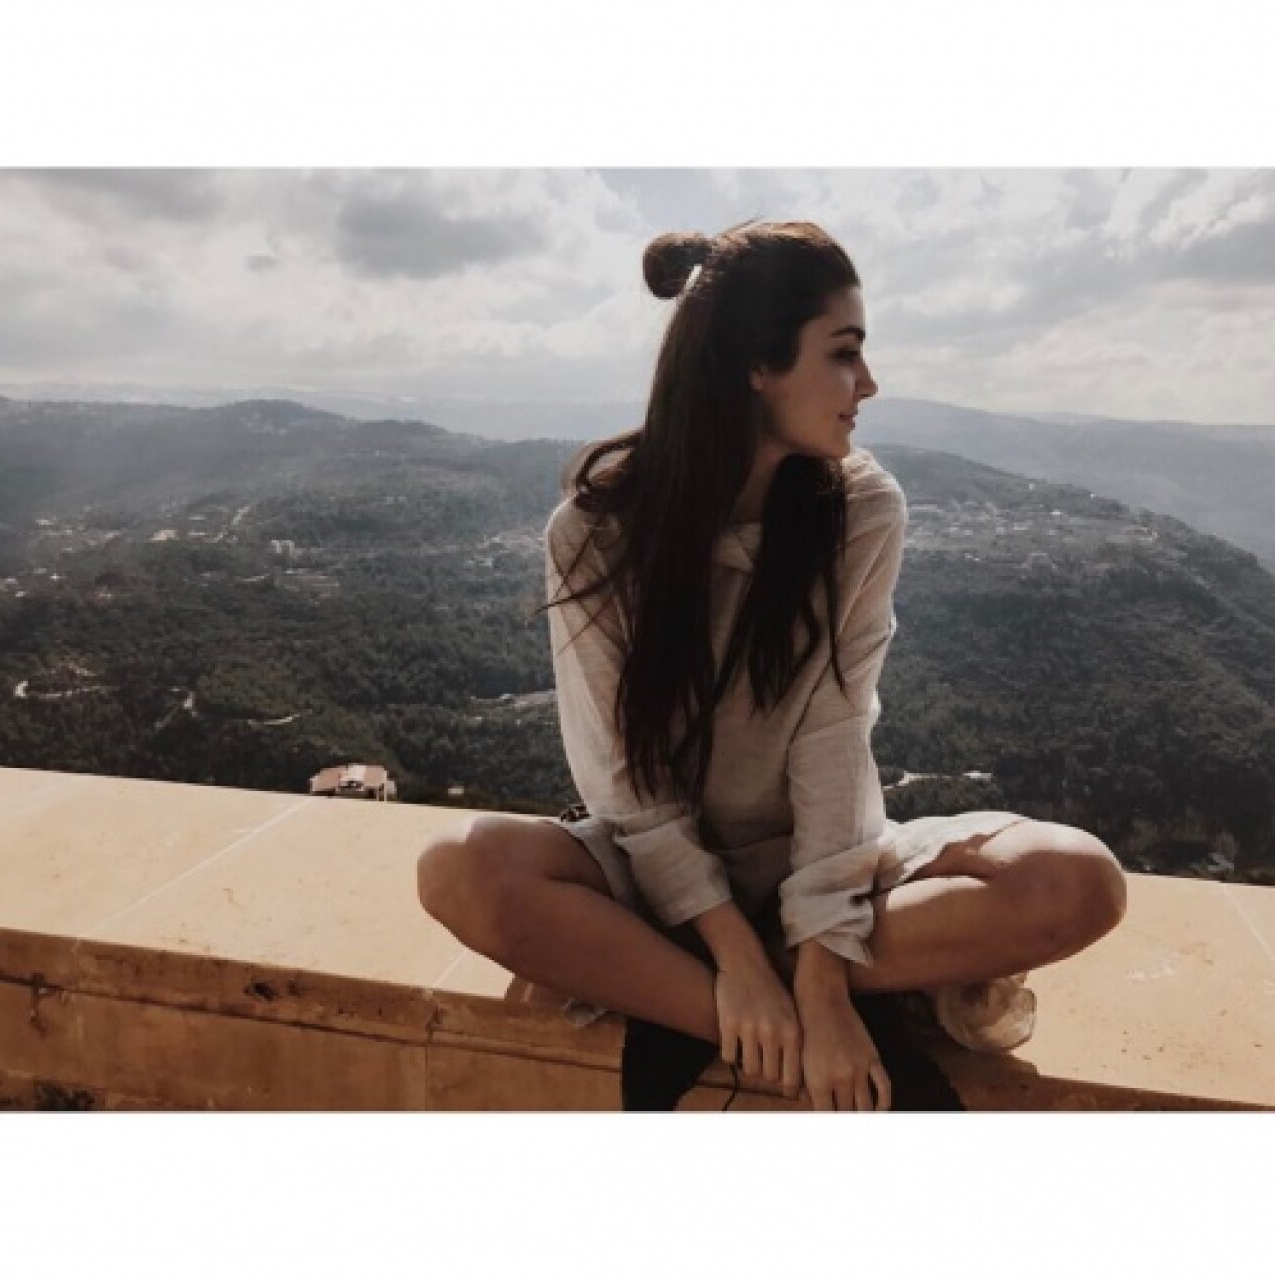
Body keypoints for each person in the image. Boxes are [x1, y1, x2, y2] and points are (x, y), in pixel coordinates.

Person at [416, 219, 1127, 1111]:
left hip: (820, 865)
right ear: (758, 364)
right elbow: (624, 781)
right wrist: (737, 954)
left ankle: (750, 998)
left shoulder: (860, 509)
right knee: (457, 869)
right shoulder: (596, 534)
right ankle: (750, 1011)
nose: (868, 383)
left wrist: (821, 966)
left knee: (1077, 881)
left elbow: (834, 738)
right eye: (844, 352)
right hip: (660, 870)